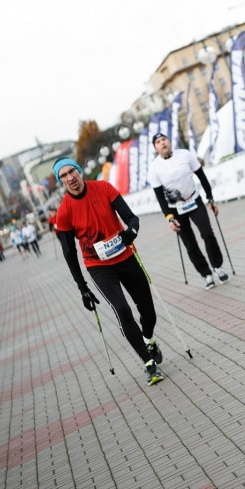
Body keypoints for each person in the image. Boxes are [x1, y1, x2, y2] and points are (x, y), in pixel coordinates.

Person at [53, 157, 165, 385]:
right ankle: (148, 363)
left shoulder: (103, 188)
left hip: (125, 256)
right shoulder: (64, 212)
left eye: (72, 171)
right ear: (60, 180)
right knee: (122, 309)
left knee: (148, 311)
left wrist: (131, 231)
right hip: (99, 267)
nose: (70, 178)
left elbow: (131, 218)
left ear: (79, 171)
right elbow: (69, 254)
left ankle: (149, 339)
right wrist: (82, 287)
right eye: (63, 175)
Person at [147, 132, 229, 290]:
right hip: (175, 209)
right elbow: (160, 198)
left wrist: (210, 199)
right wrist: (169, 218)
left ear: (169, 141)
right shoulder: (154, 168)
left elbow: (202, 177)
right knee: (190, 244)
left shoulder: (185, 155)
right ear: (155, 148)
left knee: (207, 234)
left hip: (194, 201)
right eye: (158, 142)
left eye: (164, 139)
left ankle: (217, 267)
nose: (162, 143)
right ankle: (206, 274)